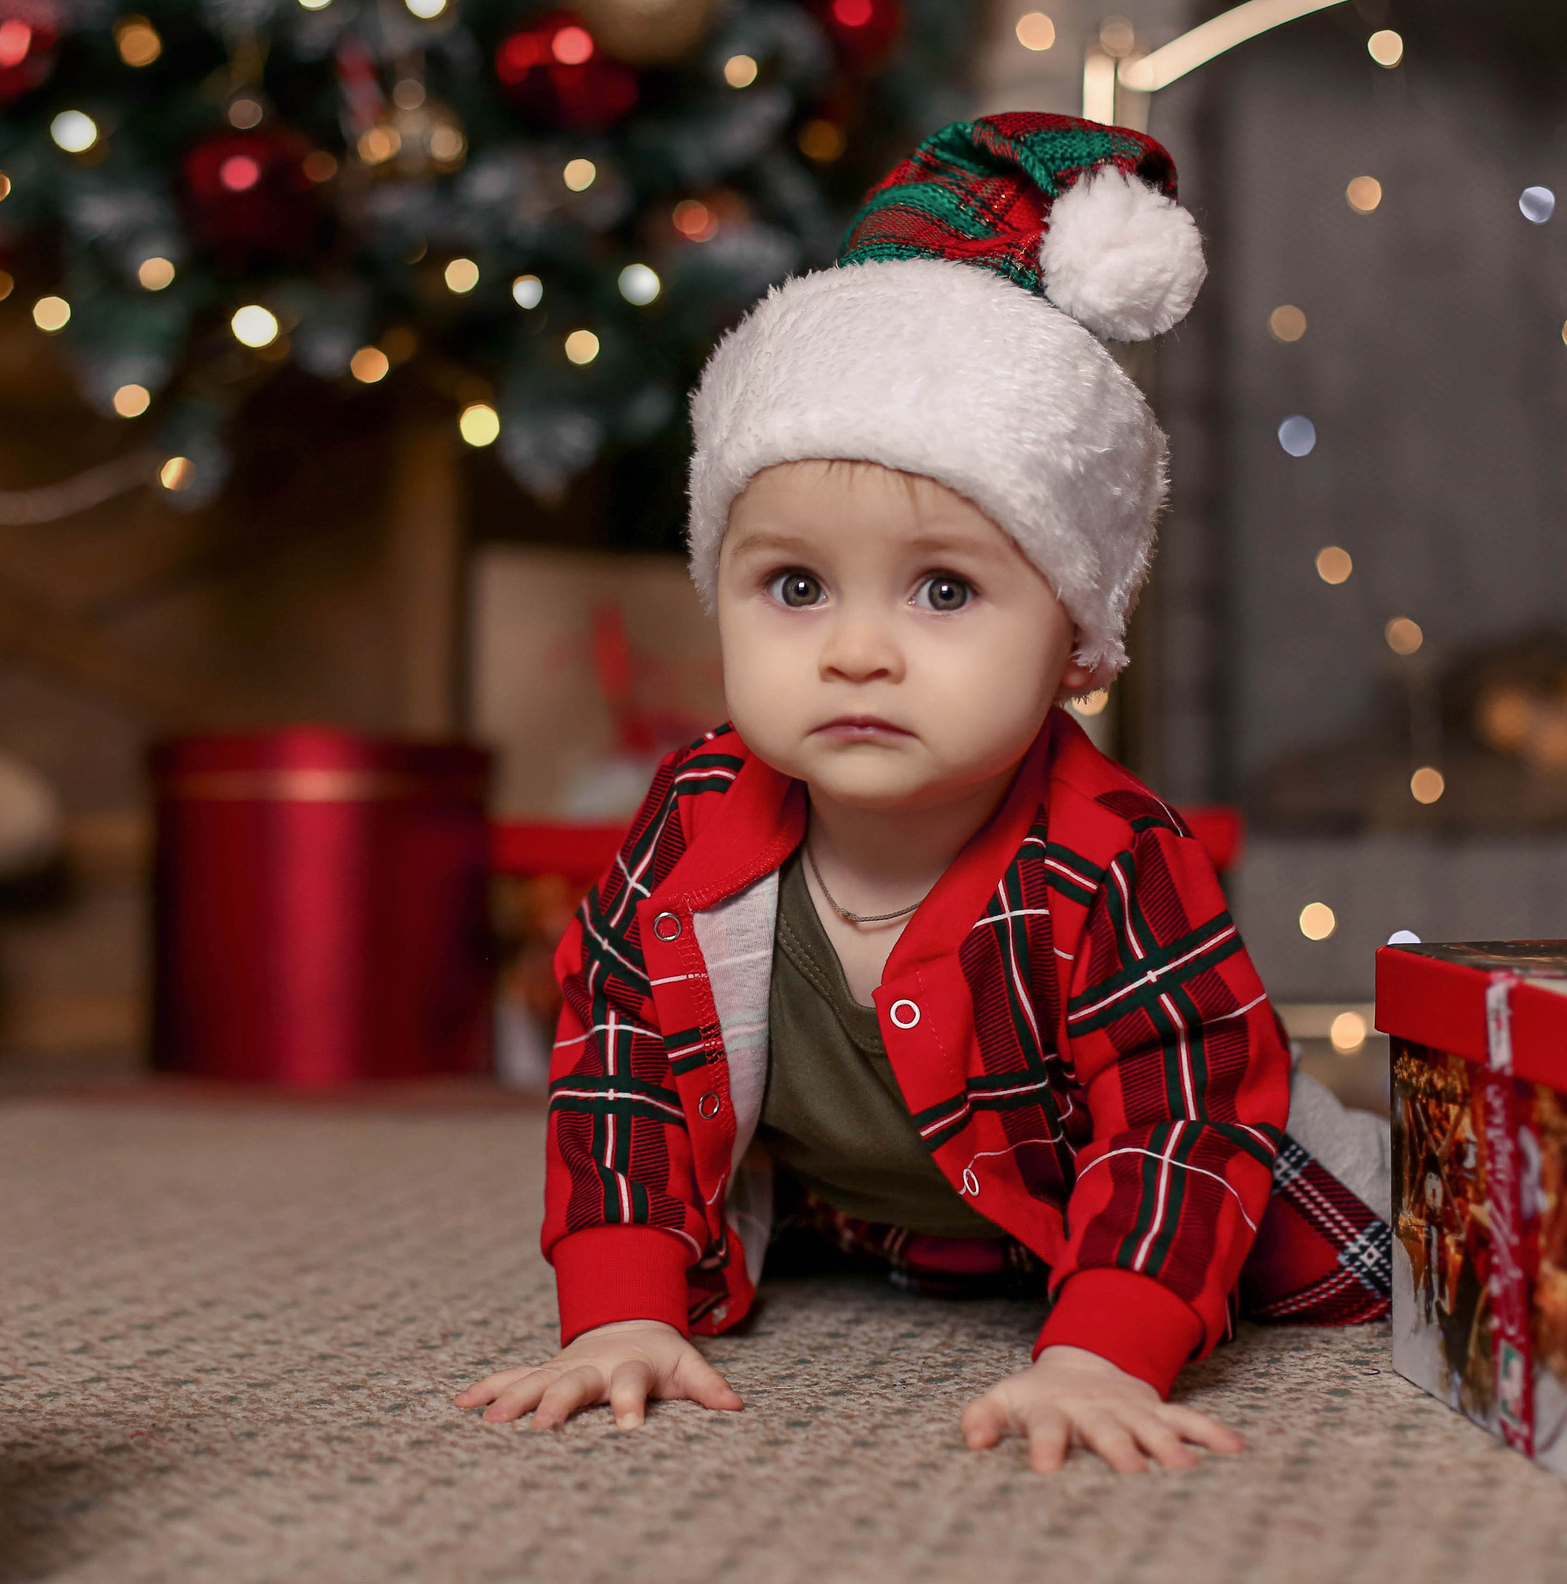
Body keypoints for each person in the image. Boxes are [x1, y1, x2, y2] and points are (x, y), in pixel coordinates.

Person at [457, 115, 1391, 1473]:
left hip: (1153, 1193)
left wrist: (1103, 1349)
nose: (854, 647)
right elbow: (623, 1066)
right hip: (887, 1212)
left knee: (1385, 1263)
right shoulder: (700, 811)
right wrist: (621, 1314)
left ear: (1075, 642)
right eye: (793, 586)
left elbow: (1183, 1116)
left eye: (943, 590)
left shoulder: (1111, 855)